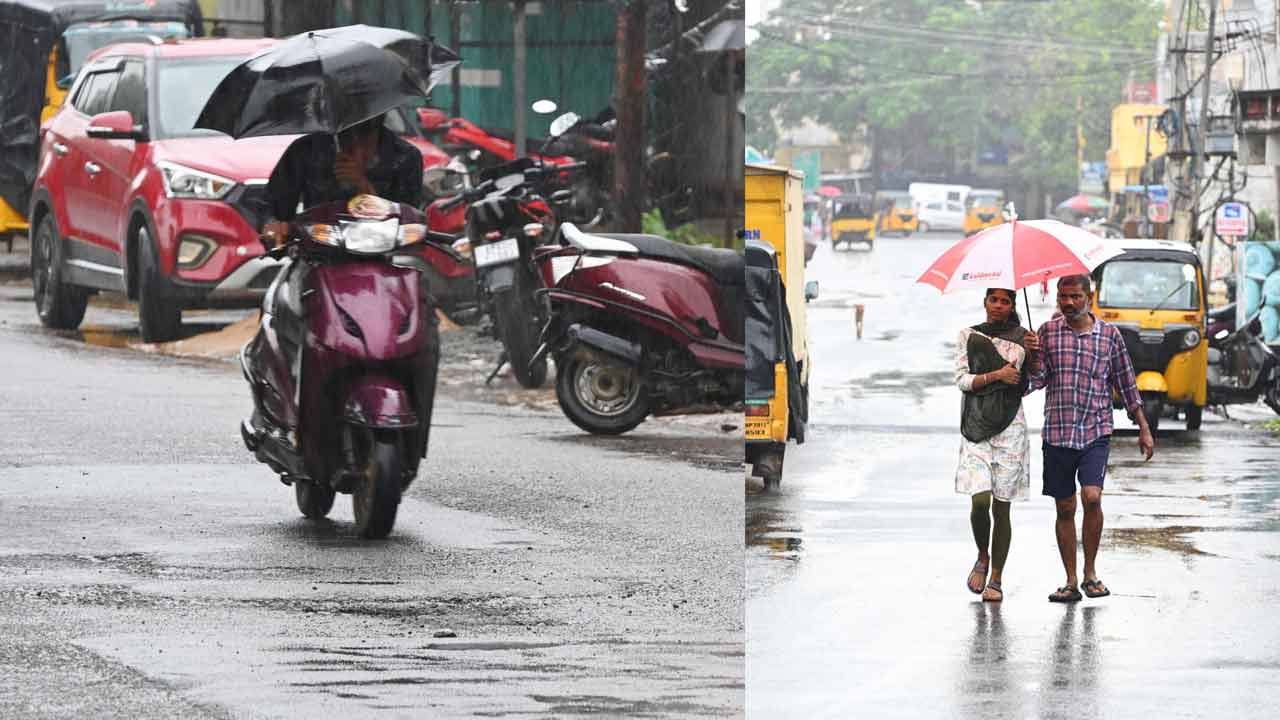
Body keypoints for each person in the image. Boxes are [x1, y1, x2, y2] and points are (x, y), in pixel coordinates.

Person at [247, 115, 424, 436]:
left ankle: (415, 425)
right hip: (316, 265)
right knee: (284, 315)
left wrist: (364, 188)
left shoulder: (405, 157)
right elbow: (273, 207)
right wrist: (275, 226)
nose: (358, 132)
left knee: (427, 328)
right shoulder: (307, 151)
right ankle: (281, 413)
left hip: (383, 270)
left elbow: (413, 215)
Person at [1025, 274, 1155, 604]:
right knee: (1065, 506)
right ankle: (1070, 580)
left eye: (1074, 296)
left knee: (1092, 498)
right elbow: (1036, 381)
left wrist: (1143, 427)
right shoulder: (1047, 333)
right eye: (1062, 296)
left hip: (1096, 430)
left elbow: (1126, 383)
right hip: (1057, 432)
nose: (1067, 302)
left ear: (1089, 298)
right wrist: (1031, 356)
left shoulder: (1109, 336)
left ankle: (1090, 573)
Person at [955, 288, 1035, 602]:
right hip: (976, 426)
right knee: (980, 501)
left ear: (1013, 305)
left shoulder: (1023, 338)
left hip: (1011, 427)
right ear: (985, 302)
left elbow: (1027, 385)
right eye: (994, 300)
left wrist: (1033, 354)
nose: (999, 306)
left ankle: (997, 578)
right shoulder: (969, 335)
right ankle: (982, 555)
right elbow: (962, 380)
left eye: (1006, 301)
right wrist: (995, 375)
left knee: (1003, 507)